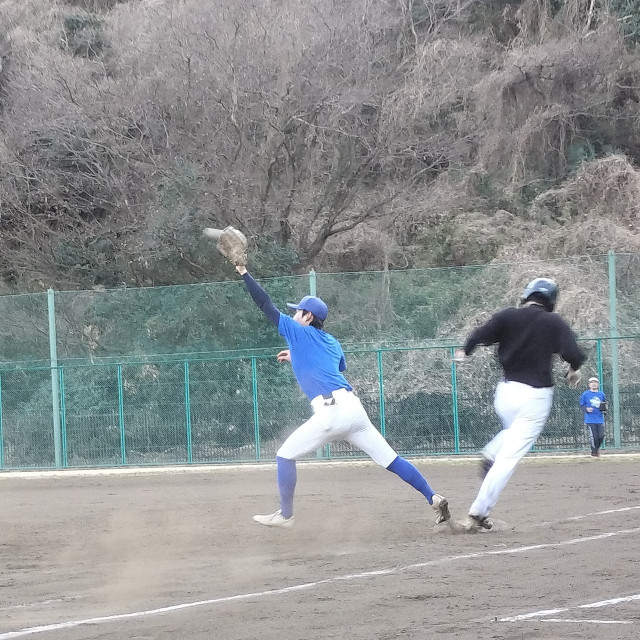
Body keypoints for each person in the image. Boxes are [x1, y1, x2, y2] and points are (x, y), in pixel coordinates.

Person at [234, 263, 451, 528]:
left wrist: (244, 272)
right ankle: (433, 496)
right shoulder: (332, 342)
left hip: (331, 410)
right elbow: (336, 367)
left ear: (308, 317)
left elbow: (265, 303)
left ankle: (286, 515)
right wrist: (297, 356)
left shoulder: (298, 332)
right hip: (354, 410)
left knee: (285, 455)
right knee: (391, 459)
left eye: (297, 311)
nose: (293, 315)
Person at [454, 278, 586, 532]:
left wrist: (465, 351)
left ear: (528, 295)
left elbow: (478, 335)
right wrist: (574, 369)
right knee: (508, 459)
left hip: (506, 394)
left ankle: (492, 451)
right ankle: (478, 512)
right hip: (535, 398)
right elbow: (573, 353)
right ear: (551, 300)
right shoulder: (553, 322)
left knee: (512, 432)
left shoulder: (508, 316)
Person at [580, 377, 607, 457]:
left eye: (595, 382)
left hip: (600, 419)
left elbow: (605, 404)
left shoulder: (602, 394)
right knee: (594, 437)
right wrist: (586, 409)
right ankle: (594, 452)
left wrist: (604, 409)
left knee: (601, 436)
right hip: (590, 419)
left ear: (598, 384)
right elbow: (581, 405)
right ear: (589, 385)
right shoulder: (585, 394)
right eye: (592, 382)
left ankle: (597, 449)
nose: (594, 384)